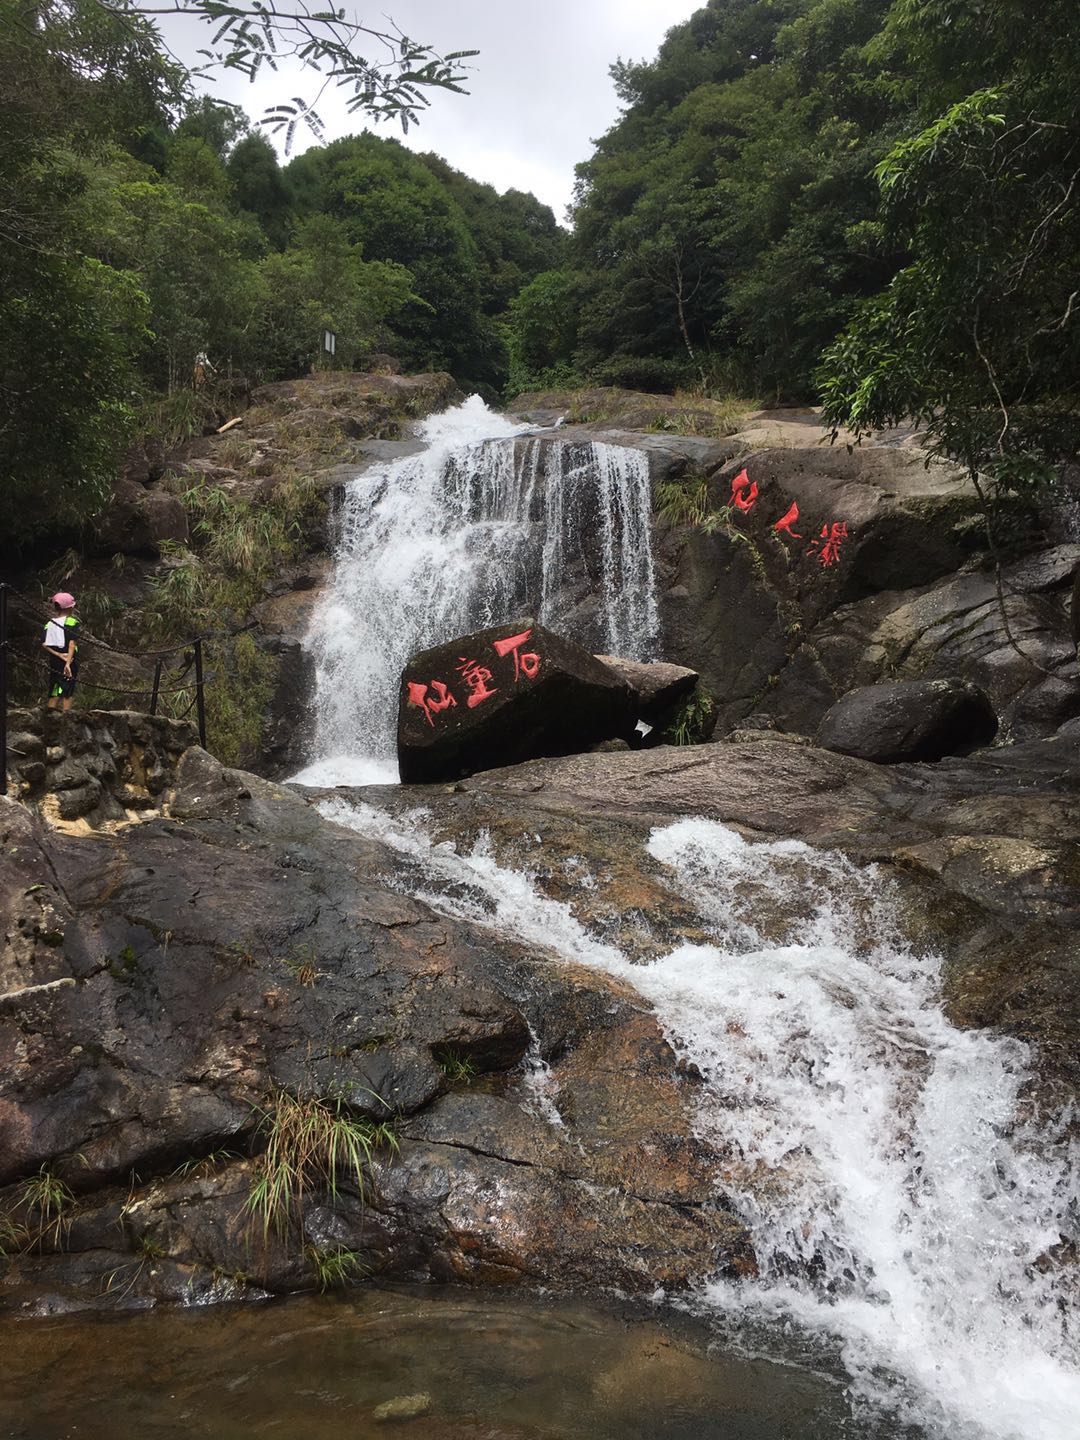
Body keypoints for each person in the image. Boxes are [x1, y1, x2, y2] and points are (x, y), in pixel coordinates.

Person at [42, 592, 80, 711]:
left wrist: (58, 654)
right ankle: (66, 719)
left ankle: (50, 719)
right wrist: (68, 664)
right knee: (68, 690)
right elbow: (72, 644)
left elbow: (44, 644)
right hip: (70, 661)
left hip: (55, 661)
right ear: (71, 607)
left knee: (55, 688)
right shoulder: (73, 622)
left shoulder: (49, 623)